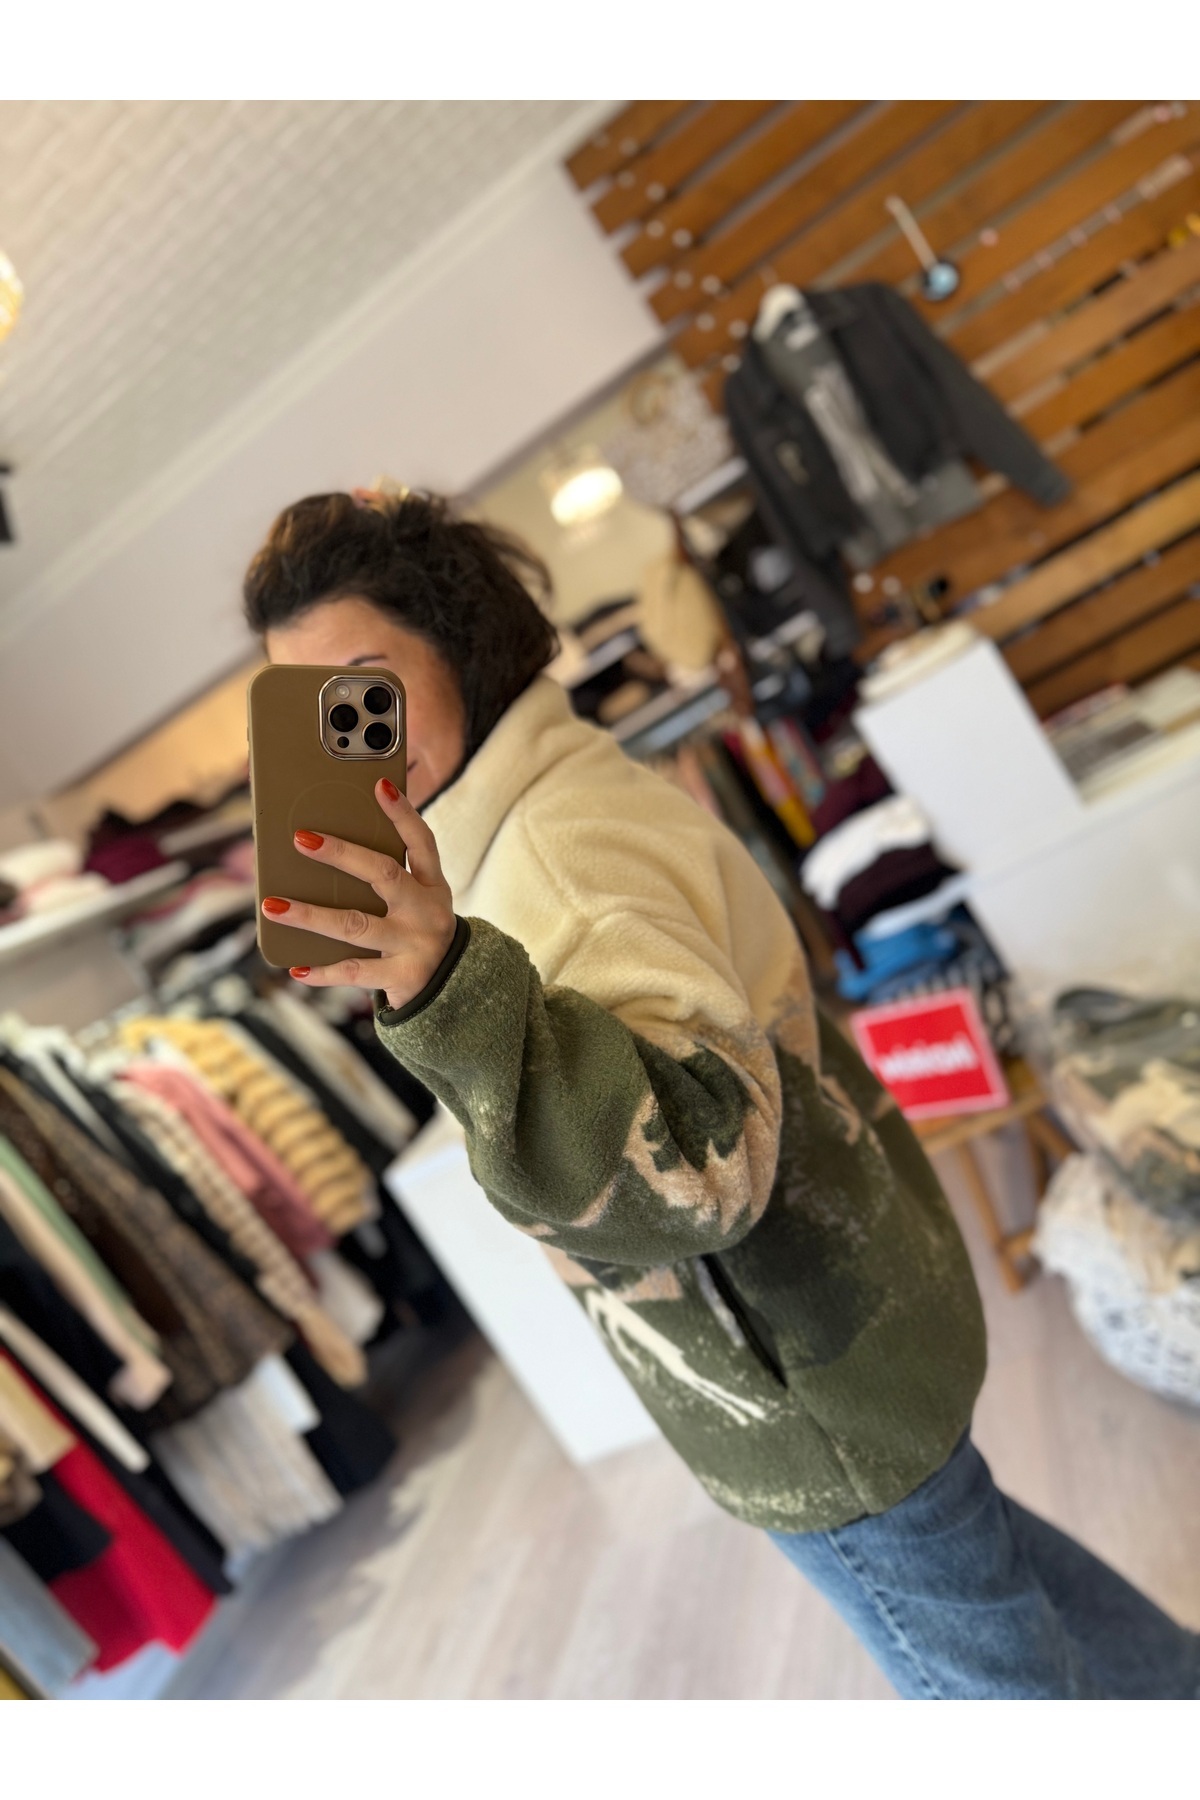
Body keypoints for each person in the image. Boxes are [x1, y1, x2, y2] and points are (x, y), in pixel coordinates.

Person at [244, 488, 1198, 1701]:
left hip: (807, 1375)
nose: (353, 744)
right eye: (315, 713)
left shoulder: (552, 867)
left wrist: (445, 993)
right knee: (1003, 1582)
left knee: (998, 1697)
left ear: (462, 648)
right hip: (851, 1327)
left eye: (367, 694)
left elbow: (700, 1175)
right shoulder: (562, 795)